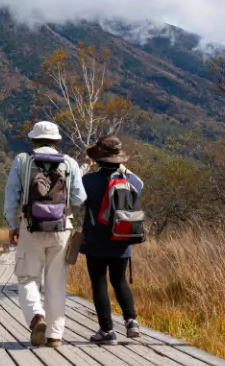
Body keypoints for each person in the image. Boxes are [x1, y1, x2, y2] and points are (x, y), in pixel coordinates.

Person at [3, 121, 86, 348]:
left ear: (33, 140)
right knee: (56, 283)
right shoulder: (69, 163)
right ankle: (55, 335)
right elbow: (79, 199)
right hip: (62, 228)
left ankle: (36, 316)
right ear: (57, 141)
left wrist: (12, 225)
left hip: (30, 227)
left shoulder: (23, 161)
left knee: (27, 277)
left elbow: (11, 197)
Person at [81, 135, 144, 345]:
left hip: (95, 241)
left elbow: (76, 196)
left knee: (99, 283)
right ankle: (131, 321)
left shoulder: (88, 181)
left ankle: (107, 331)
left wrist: (85, 167)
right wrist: (124, 170)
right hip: (121, 239)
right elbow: (141, 185)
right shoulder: (131, 181)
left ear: (98, 159)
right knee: (119, 280)